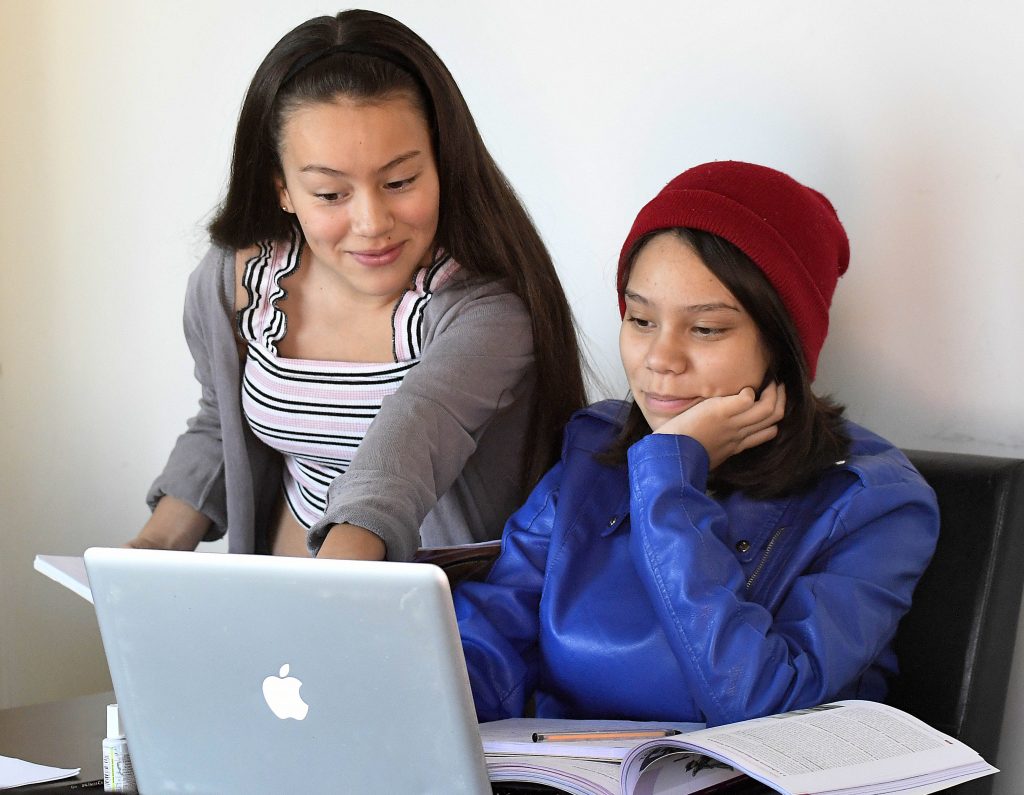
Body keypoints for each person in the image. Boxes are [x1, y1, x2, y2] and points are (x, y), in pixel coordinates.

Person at [454, 160, 940, 727]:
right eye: (640, 320)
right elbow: (489, 645)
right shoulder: (593, 453)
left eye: (706, 329)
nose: (660, 359)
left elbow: (762, 706)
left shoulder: (872, 501)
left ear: (783, 345)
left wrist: (669, 481)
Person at [125, 10, 586, 561]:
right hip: (283, 592)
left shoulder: (487, 316)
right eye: (329, 193)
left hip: (437, 619)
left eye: (399, 182)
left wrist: (336, 585)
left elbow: (412, 443)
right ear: (283, 190)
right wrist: (149, 549)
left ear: (442, 166)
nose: (371, 222)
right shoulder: (238, 284)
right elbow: (219, 426)